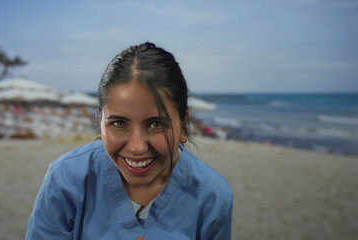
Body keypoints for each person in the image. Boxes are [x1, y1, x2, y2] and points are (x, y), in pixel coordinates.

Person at [25, 42, 233, 239]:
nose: (136, 147)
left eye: (156, 124)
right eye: (119, 123)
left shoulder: (212, 196)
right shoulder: (65, 180)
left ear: (183, 124)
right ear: (100, 122)